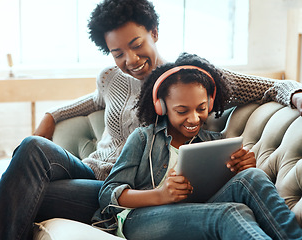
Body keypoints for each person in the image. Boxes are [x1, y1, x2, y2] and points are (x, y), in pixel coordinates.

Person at [0, 0, 302, 239]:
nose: (130, 60)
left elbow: (270, 87)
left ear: (154, 33)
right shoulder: (110, 78)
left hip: (125, 192)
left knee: (20, 193)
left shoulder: (184, 83)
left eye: (136, 45)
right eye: (117, 52)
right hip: (94, 173)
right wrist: (51, 116)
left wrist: (296, 95)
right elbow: (89, 103)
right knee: (33, 147)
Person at [97, 55, 302, 239]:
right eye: (182, 110)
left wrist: (243, 168)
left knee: (253, 177)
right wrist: (161, 195)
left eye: (201, 108)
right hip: (140, 219)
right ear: (162, 106)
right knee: (231, 212)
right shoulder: (143, 138)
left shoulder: (214, 142)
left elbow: (222, 189)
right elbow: (107, 194)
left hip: (199, 211)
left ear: (210, 104)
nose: (194, 118)